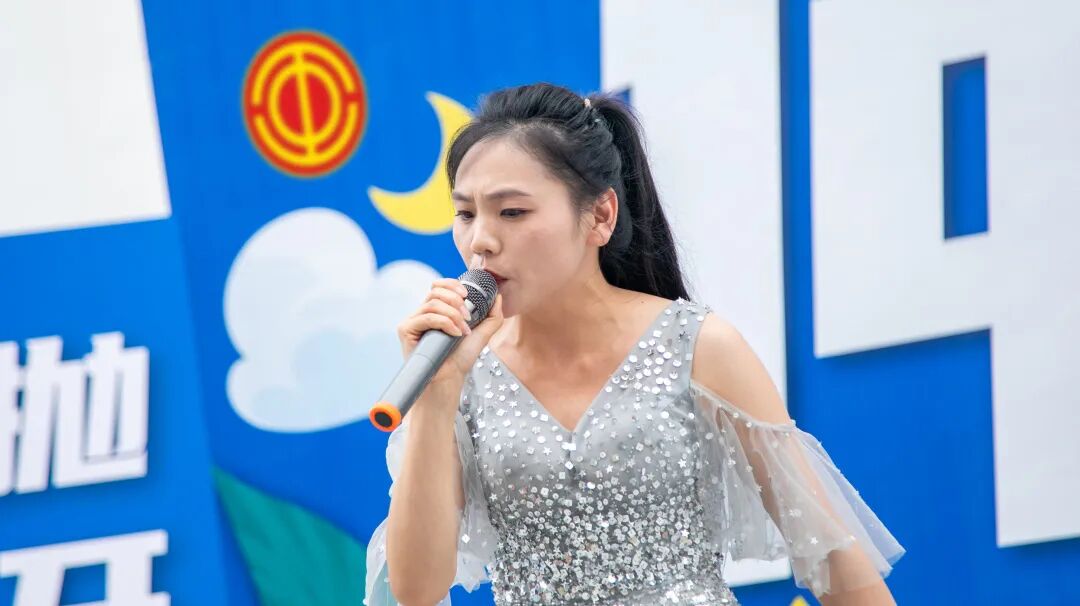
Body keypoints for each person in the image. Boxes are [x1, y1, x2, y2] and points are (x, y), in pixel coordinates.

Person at [364, 83, 905, 606]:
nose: (480, 240)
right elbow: (416, 590)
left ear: (600, 215)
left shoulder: (696, 345)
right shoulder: (461, 372)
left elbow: (834, 562)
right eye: (465, 213)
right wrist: (438, 392)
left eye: (512, 212)